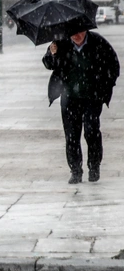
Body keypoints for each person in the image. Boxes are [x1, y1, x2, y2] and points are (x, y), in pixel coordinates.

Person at [42, 30, 119, 184]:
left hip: (92, 97)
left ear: (86, 29)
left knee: (91, 131)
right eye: (73, 33)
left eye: (79, 32)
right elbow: (49, 64)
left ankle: (94, 166)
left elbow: (113, 65)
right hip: (69, 97)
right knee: (72, 135)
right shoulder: (61, 43)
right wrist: (52, 54)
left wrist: (104, 85)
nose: (76, 36)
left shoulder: (98, 43)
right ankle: (75, 170)